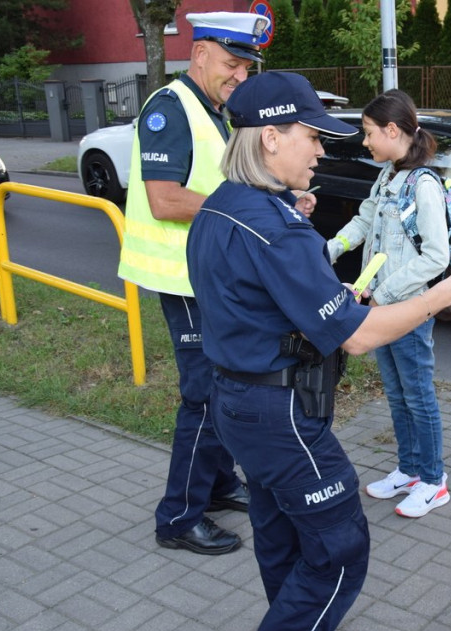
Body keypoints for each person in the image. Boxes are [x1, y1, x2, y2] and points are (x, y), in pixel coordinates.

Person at [186, 72, 451, 631]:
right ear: (271, 138)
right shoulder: (276, 228)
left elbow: (255, 301)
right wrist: (446, 292)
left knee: (281, 538)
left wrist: (329, 294)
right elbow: (356, 336)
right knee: (339, 548)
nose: (323, 150)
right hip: (280, 416)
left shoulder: (224, 205)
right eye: (312, 136)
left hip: (237, 402)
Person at [119, 12, 295, 555]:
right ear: (199, 55)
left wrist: (276, 200)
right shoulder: (169, 109)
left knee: (219, 388)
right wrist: (244, 208)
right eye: (230, 64)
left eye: (245, 68)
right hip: (180, 277)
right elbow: (165, 199)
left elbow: (219, 183)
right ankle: (177, 518)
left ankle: (218, 485)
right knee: (204, 396)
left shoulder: (211, 109)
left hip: (205, 277)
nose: (238, 77)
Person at [327, 90, 451, 518]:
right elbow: (365, 219)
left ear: (392, 130)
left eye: (368, 133)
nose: (365, 142)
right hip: (380, 309)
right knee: (397, 394)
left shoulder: (424, 185)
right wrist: (329, 249)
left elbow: (437, 255)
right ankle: (410, 470)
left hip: (408, 310)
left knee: (418, 396)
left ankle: (435, 481)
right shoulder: (388, 176)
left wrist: (383, 294)